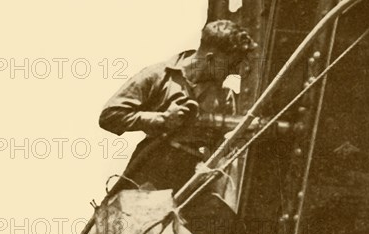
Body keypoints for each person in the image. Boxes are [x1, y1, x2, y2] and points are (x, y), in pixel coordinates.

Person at [99, 19, 257, 192]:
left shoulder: (224, 95)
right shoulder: (158, 76)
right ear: (211, 58)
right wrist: (162, 119)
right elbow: (110, 116)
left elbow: (221, 147)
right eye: (232, 65)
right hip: (149, 175)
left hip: (192, 182)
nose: (235, 72)